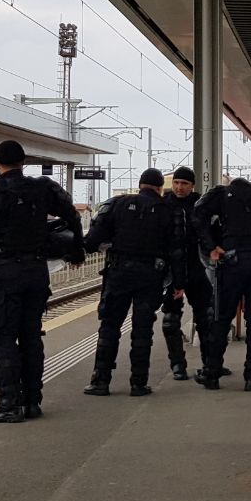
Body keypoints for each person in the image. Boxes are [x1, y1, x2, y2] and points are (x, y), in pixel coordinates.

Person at [0, 140, 84, 423]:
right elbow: (72, 215)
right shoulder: (43, 188)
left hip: (4, 273)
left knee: (4, 338)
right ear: (23, 162)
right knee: (32, 336)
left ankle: (10, 404)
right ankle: (32, 402)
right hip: (36, 271)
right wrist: (76, 251)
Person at [82, 169, 186, 396]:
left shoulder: (117, 204)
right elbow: (176, 250)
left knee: (110, 326)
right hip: (150, 276)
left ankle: (100, 381)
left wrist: (76, 254)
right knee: (142, 329)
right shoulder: (168, 210)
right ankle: (138, 383)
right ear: (160, 188)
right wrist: (179, 283)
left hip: (118, 273)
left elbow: (93, 239)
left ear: (140, 185)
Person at [192, 174, 251, 391]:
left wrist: (211, 247)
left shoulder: (221, 195)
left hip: (231, 262)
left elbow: (197, 215)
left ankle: (212, 373)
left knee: (221, 318)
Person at [160, 166, 209, 381]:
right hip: (171, 272)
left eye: (184, 183)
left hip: (197, 268)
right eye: (177, 183)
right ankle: (177, 365)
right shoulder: (162, 205)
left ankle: (210, 364)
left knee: (207, 317)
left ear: (192, 186)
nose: (179, 187)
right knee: (170, 320)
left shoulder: (201, 206)